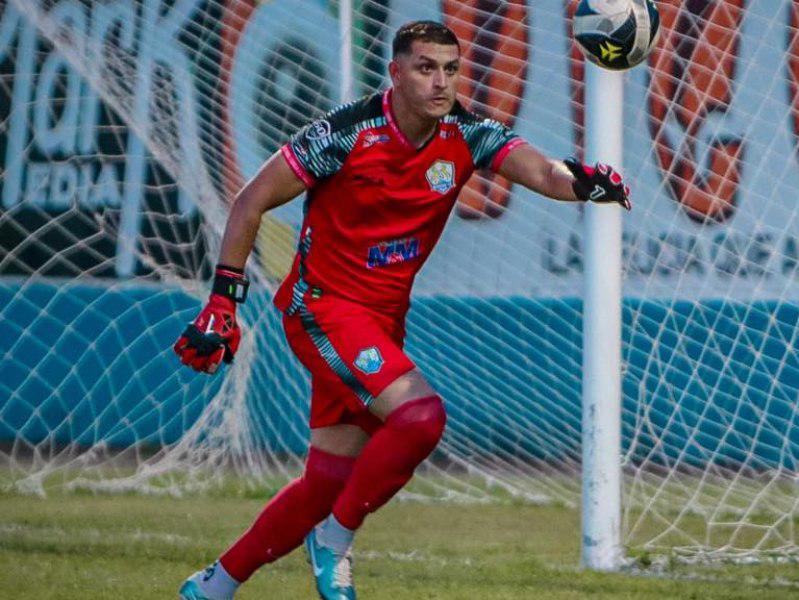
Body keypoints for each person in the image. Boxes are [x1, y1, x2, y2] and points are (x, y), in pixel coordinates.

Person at [173, 20, 630, 600]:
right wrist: (224, 299)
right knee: (420, 418)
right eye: (425, 68)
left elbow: (543, 171)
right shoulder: (345, 133)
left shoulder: (467, 133)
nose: (441, 82)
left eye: (450, 69)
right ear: (395, 72)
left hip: (381, 322)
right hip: (322, 310)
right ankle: (334, 538)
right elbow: (250, 201)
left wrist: (583, 182)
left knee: (325, 482)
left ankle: (213, 585)